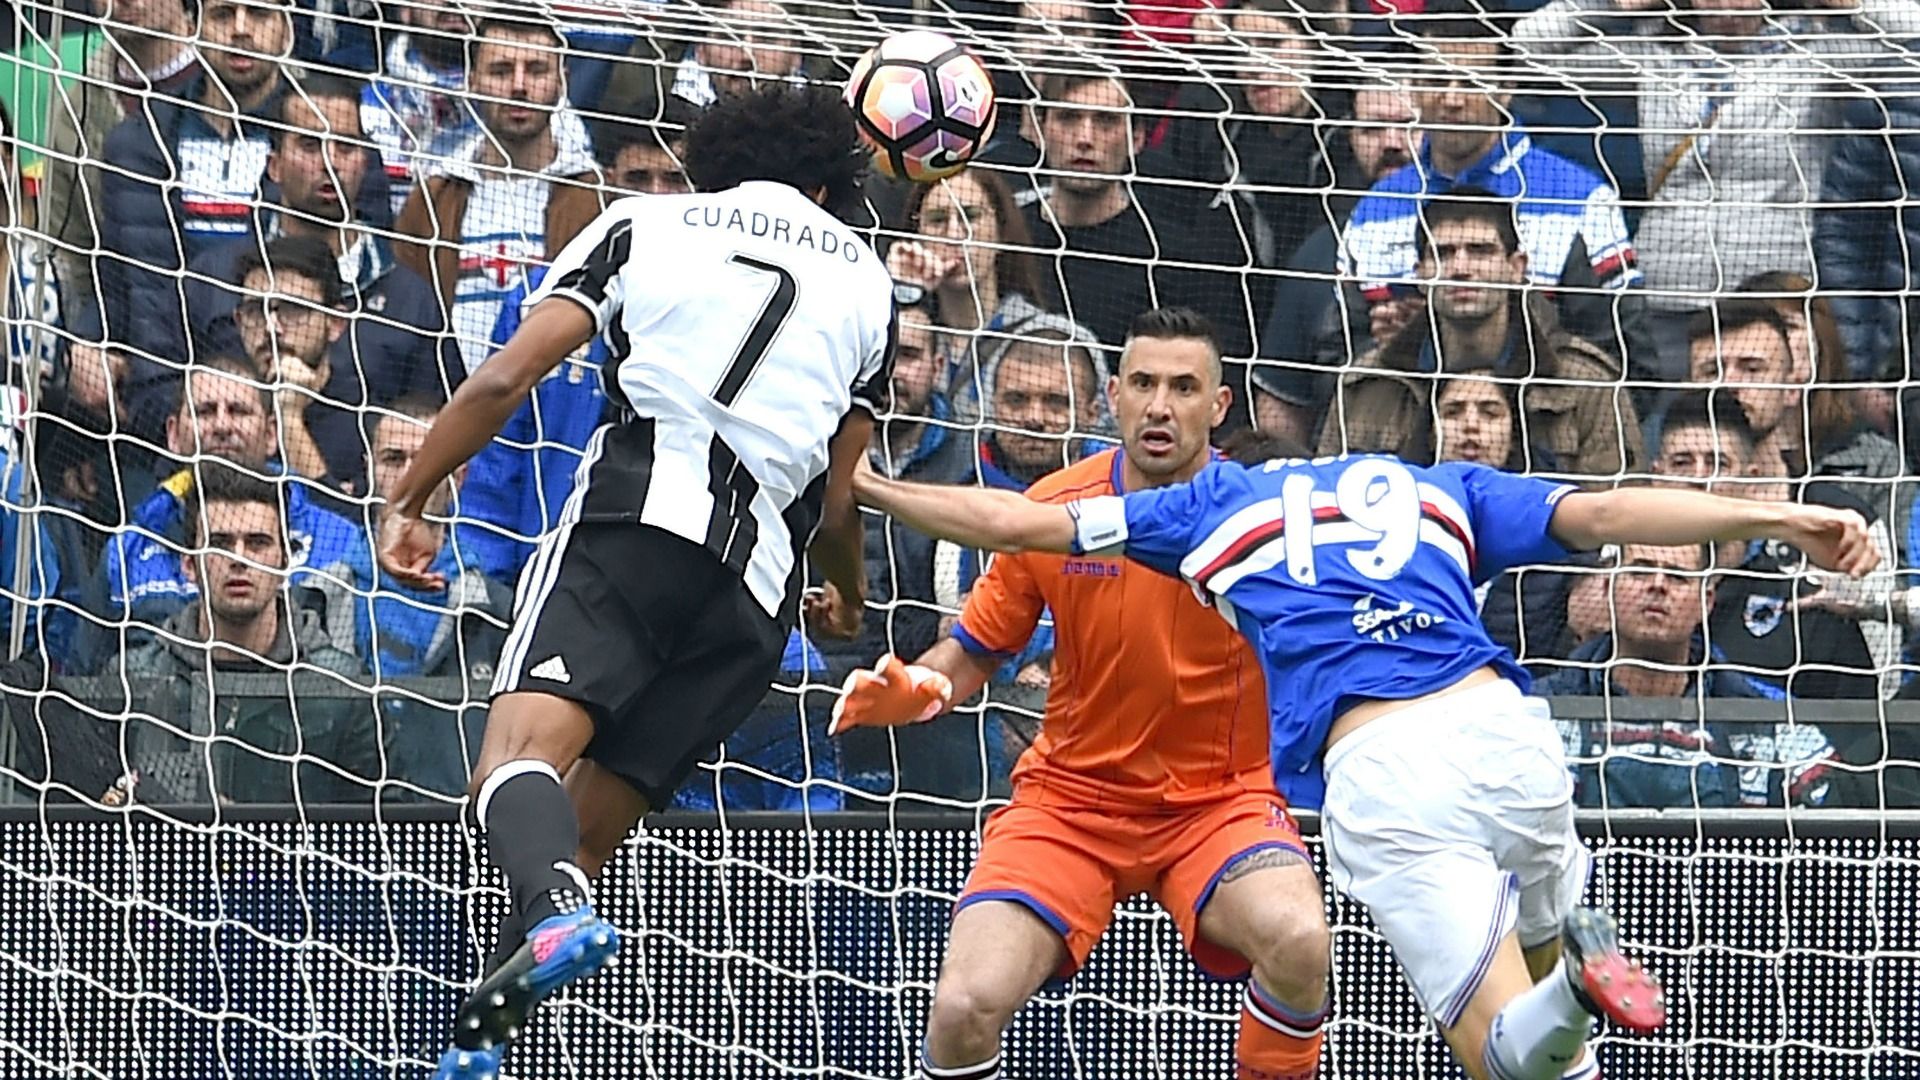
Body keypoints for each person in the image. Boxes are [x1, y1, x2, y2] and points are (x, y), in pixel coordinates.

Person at [852, 440, 1876, 1080]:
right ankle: (1573, 960)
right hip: (1514, 741)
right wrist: (1780, 516)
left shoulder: (1209, 509)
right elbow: (1608, 515)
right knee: (1549, 984)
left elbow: (1013, 520)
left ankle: (1568, 997)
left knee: (1513, 1051)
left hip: (1389, 769)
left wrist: (865, 483)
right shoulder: (1441, 486)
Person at [375, 84, 894, 1079]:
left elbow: (500, 379)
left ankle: (551, 923)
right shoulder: (870, 284)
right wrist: (853, 603)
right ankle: (477, 1050)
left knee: (511, 768)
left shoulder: (643, 225)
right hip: (756, 602)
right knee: (580, 837)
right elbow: (837, 500)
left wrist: (414, 494)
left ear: (706, 166)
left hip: (636, 528)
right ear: (830, 182)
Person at [834, 309, 1333, 1080]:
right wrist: (924, 684)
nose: (1160, 405)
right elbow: (973, 649)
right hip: (1069, 805)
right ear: (1112, 396)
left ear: (1220, 406)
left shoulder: (1263, 516)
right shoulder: (1059, 505)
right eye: (1143, 383)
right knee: (963, 1008)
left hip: (1219, 805)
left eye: (1183, 387)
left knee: (1301, 942)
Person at [1320, 192, 1642, 480]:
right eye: (1443, 253)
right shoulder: (1366, 386)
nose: (1461, 267)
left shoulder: (1587, 385)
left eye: (1480, 251)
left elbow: (1619, 519)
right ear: (1420, 274)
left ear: (1516, 267)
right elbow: (1326, 505)